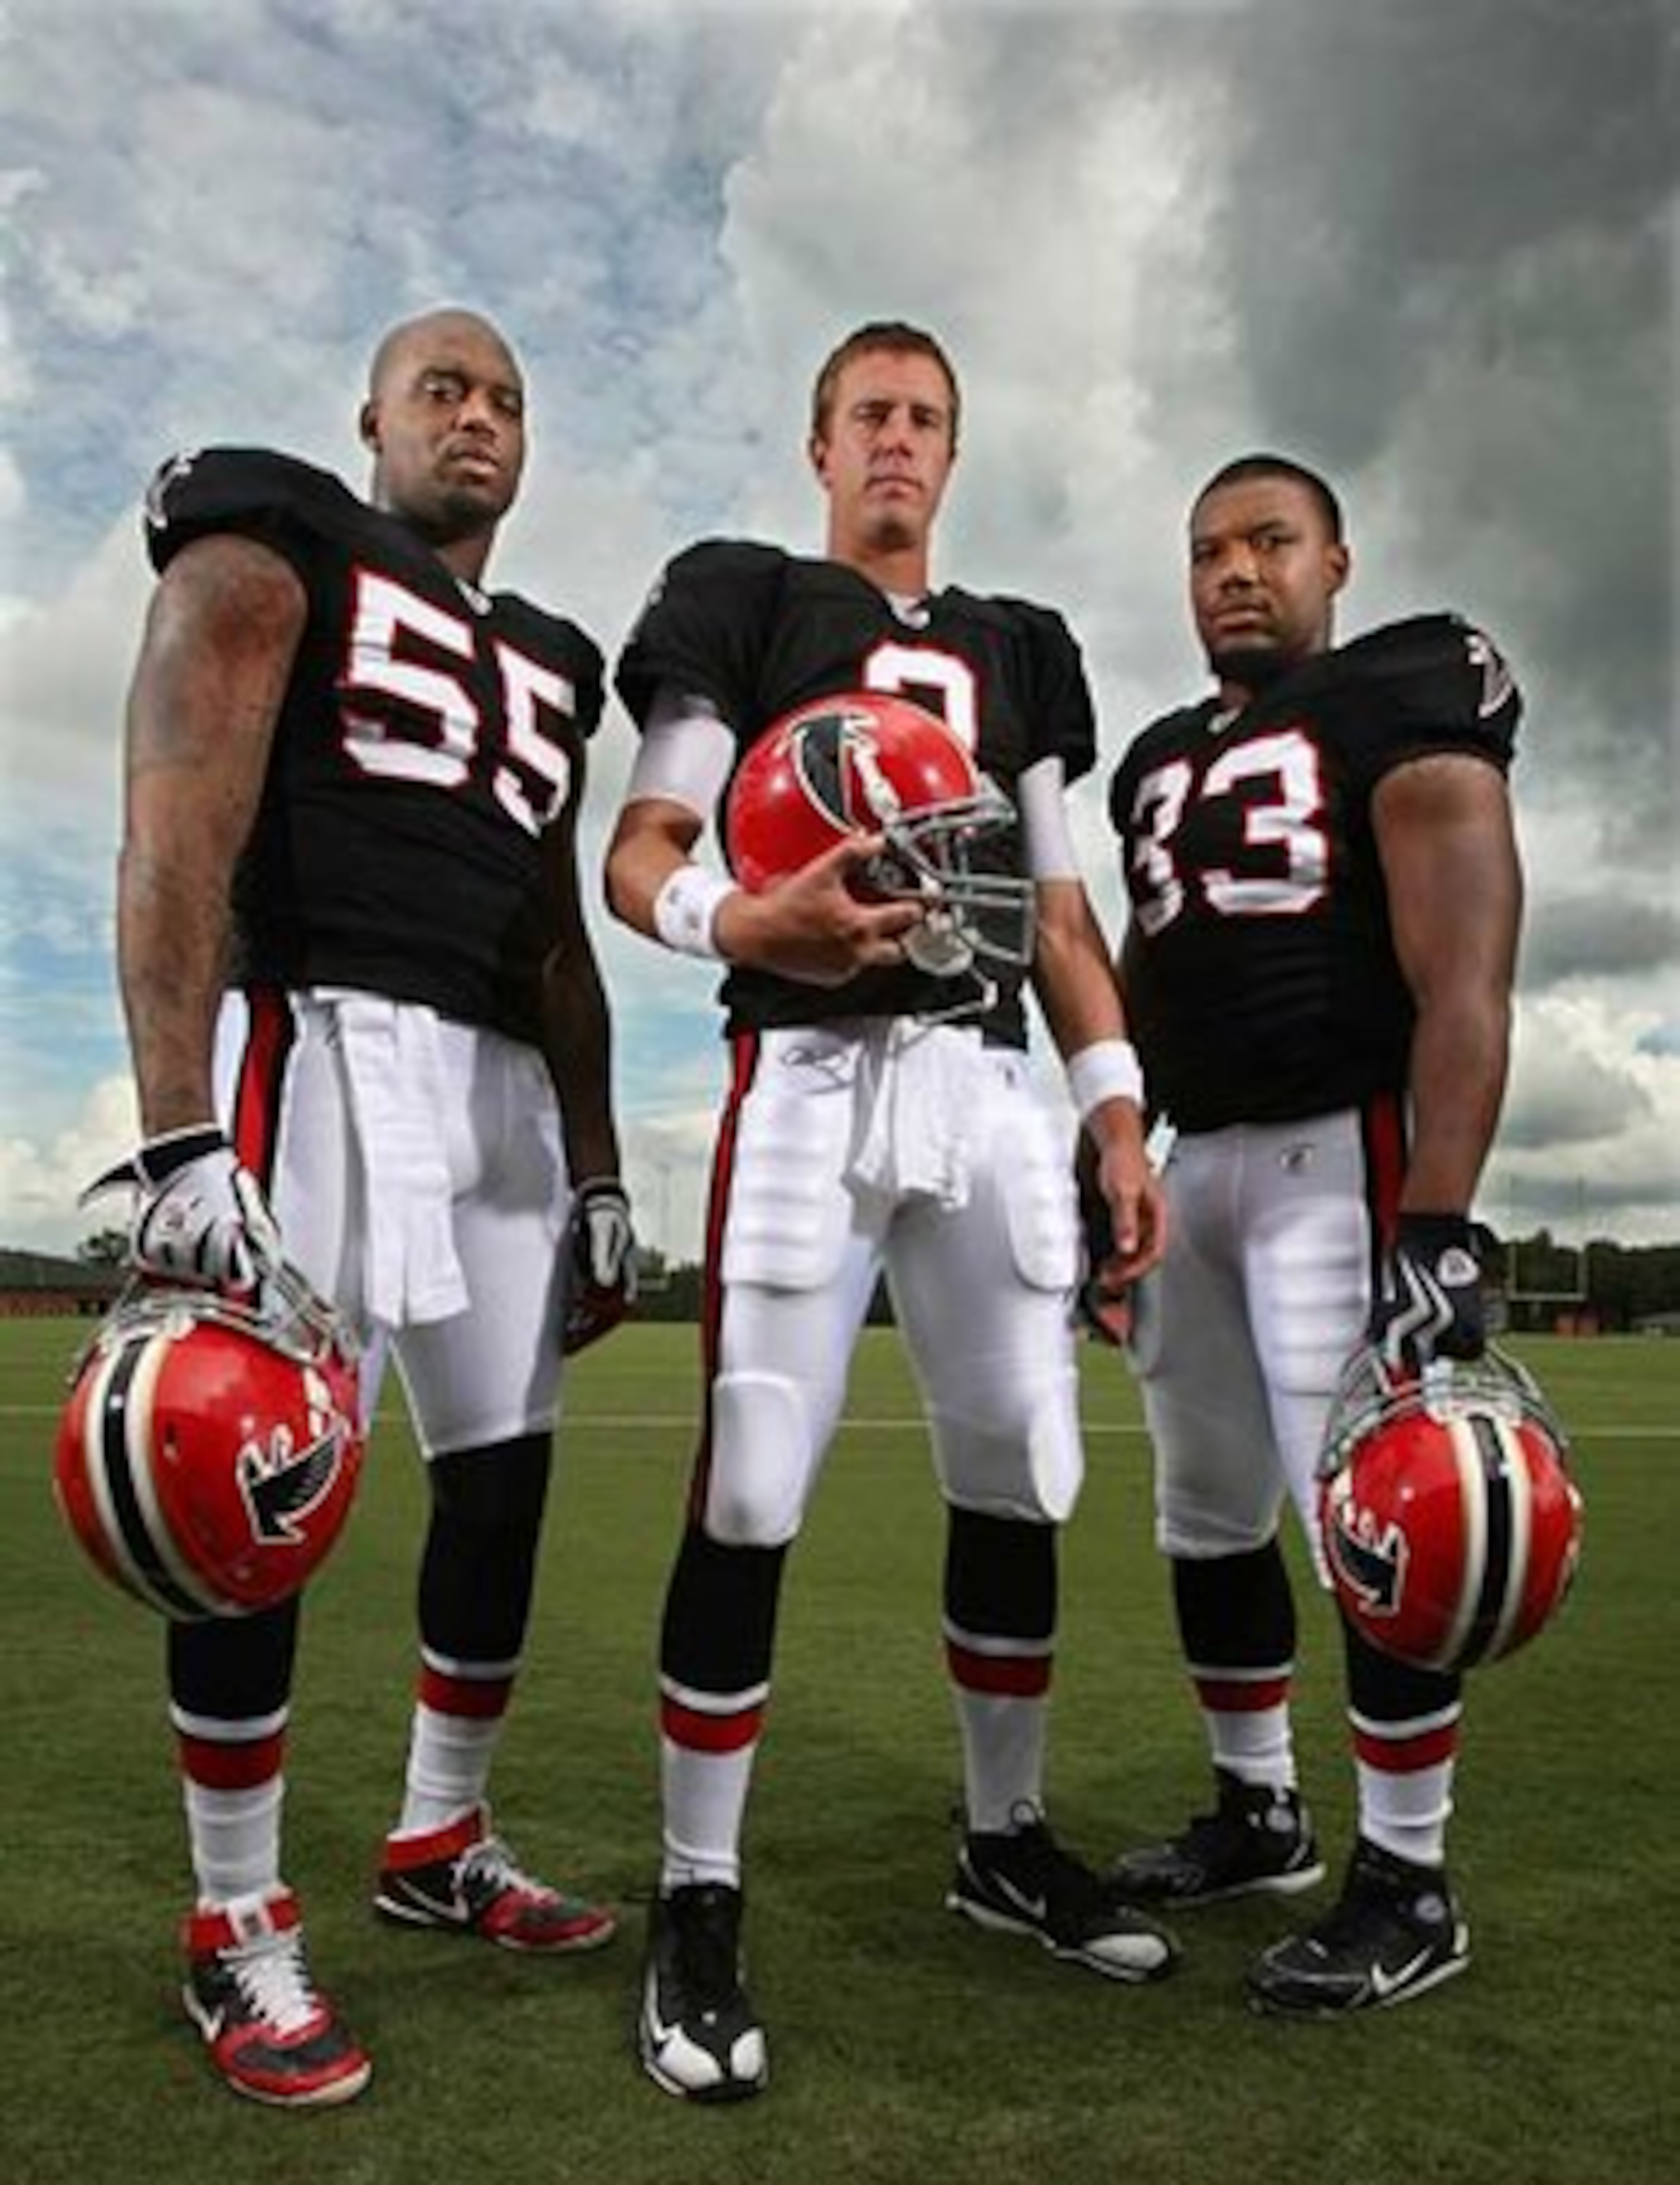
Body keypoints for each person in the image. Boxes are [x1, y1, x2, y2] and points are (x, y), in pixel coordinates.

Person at [605, 319, 1176, 2105]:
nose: (899, 445)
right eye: (870, 416)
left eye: (927, 419)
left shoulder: (1017, 650)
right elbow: (644, 851)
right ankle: (696, 1893)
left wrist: (1119, 1118)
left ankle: (1000, 1840)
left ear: (955, 447)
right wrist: (736, 922)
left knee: (1022, 1463)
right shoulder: (748, 598)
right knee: (758, 1470)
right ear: (818, 441)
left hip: (980, 1071)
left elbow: (1065, 920)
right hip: (808, 1067)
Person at [96, 307, 636, 2106]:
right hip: (319, 1041)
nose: (476, 421)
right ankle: (233, 1920)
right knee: (249, 1477)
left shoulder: (556, 658)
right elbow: (177, 813)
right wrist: (183, 1136)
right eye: (443, 393)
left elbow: (557, 930)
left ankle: (437, 1840)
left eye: (504, 401)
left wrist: (603, 1156)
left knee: (500, 1479)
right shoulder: (286, 533)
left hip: (496, 1092)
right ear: (374, 421)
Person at [1093, 452, 1523, 2016]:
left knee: (1376, 1526)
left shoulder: (1402, 689)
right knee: (1207, 1513)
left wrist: (1441, 1214)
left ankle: (1410, 1878)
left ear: (1339, 557)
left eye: (1269, 540)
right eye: (1207, 548)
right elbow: (1144, 977)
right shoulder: (1151, 758)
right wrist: (1117, 1158)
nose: (1233, 570)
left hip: (1342, 1151)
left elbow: (1467, 971)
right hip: (1200, 1166)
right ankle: (1257, 1804)